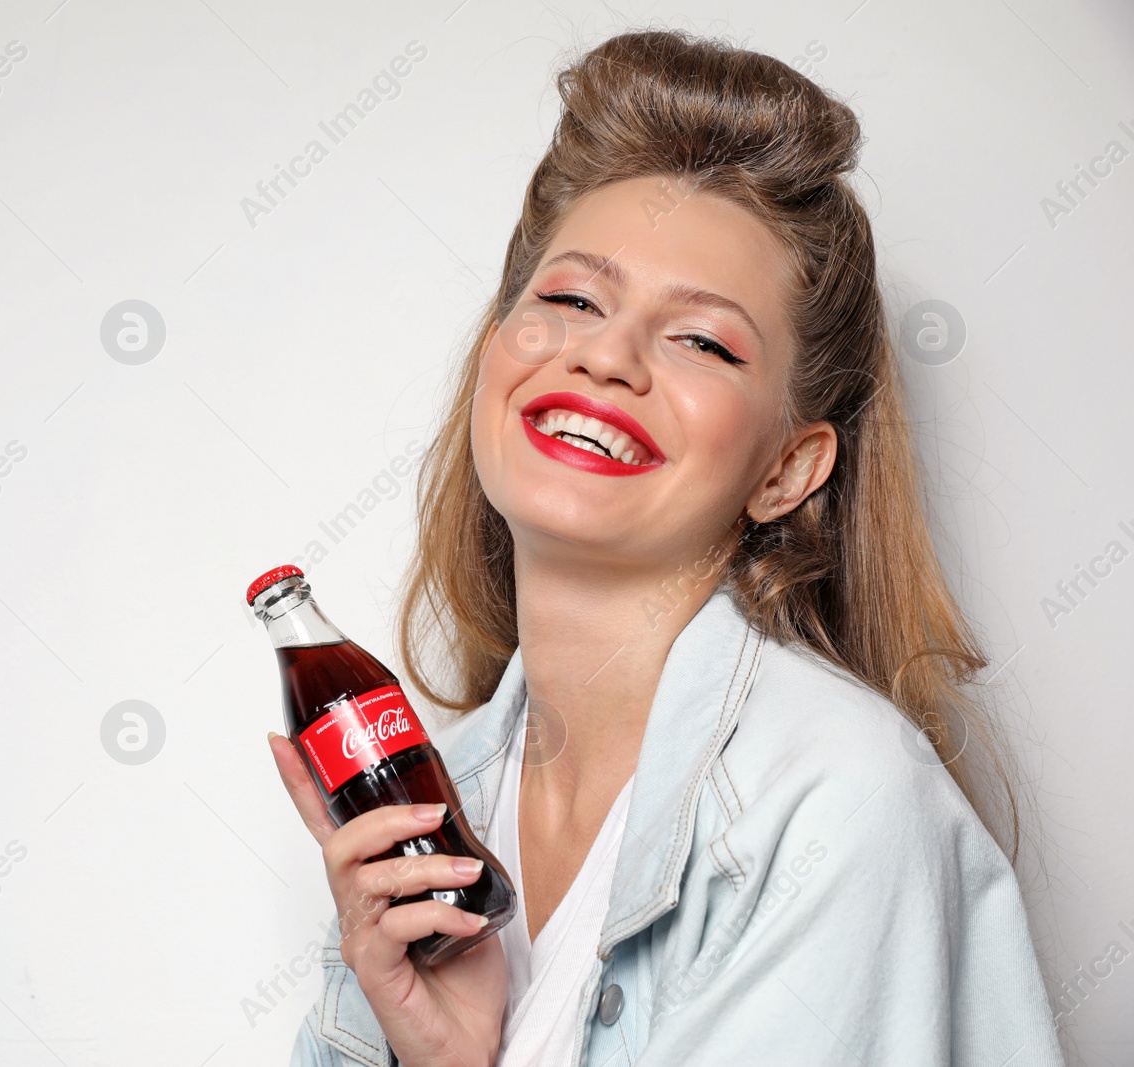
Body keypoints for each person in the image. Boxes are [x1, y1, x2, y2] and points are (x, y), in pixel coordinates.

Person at [266, 28, 1064, 1067]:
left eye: (701, 339)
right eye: (570, 298)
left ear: (787, 466)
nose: (606, 353)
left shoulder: (835, 802)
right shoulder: (426, 810)